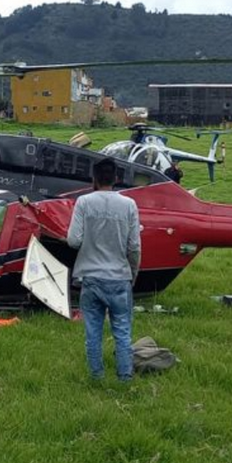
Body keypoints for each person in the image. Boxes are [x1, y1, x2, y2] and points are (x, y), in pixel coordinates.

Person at [67, 157, 141, 382]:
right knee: (122, 331)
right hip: (119, 277)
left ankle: (96, 376)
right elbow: (134, 246)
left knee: (93, 332)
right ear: (116, 178)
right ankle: (125, 377)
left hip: (90, 277)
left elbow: (73, 241)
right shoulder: (129, 205)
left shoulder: (83, 202)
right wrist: (133, 273)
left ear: (95, 178)